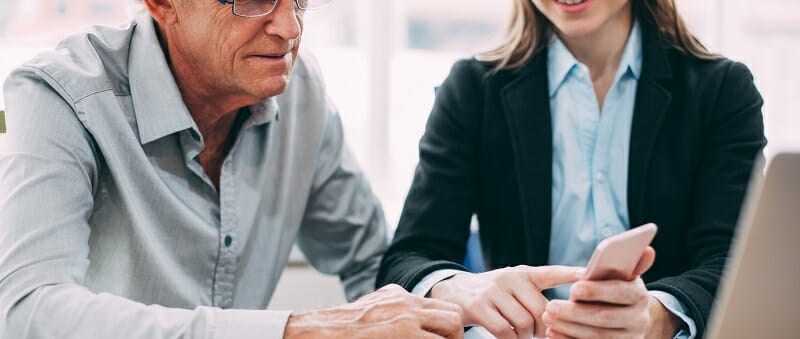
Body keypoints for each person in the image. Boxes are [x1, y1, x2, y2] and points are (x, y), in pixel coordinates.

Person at [0, 0, 465, 338]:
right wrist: (296, 331)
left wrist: (457, 299)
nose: (288, 26)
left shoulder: (300, 91)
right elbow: (28, 312)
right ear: (162, 5)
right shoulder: (61, 96)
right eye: (253, 0)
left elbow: (371, 264)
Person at [377, 0, 766, 338]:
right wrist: (454, 287)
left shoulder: (722, 91)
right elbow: (407, 259)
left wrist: (656, 318)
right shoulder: (473, 90)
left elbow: (734, 262)